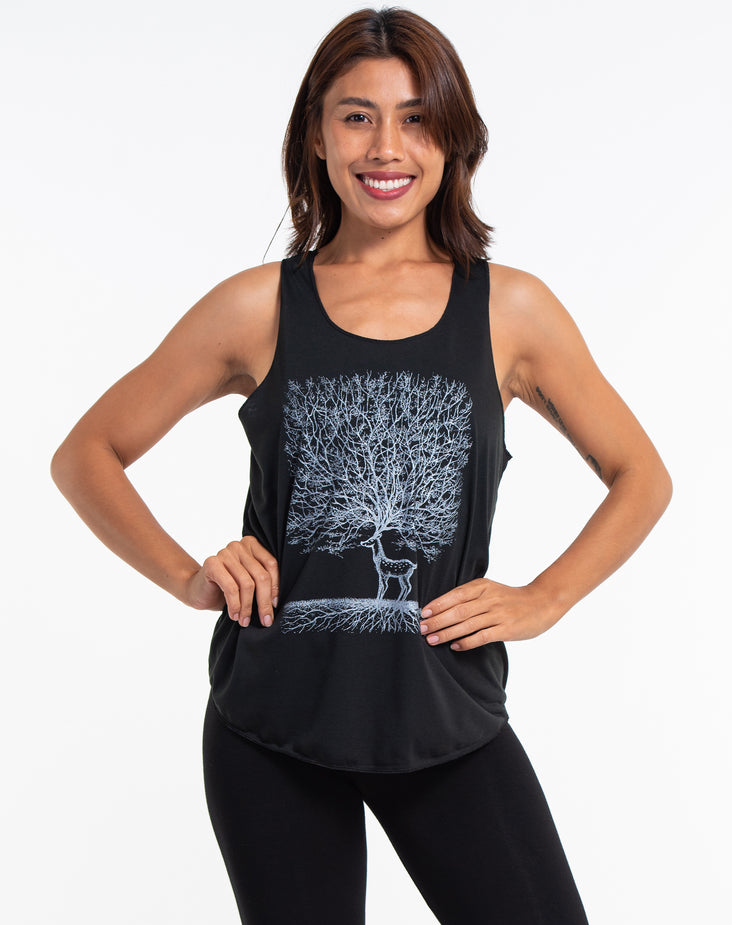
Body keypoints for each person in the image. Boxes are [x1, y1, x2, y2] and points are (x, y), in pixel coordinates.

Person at [51, 6, 672, 924]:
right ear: (317, 135)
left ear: (452, 138)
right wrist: (189, 575)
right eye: (357, 116)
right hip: (271, 726)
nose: (387, 147)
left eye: (416, 118)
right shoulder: (257, 307)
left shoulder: (512, 310)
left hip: (448, 718)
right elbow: (86, 453)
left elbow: (641, 475)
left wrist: (546, 597)